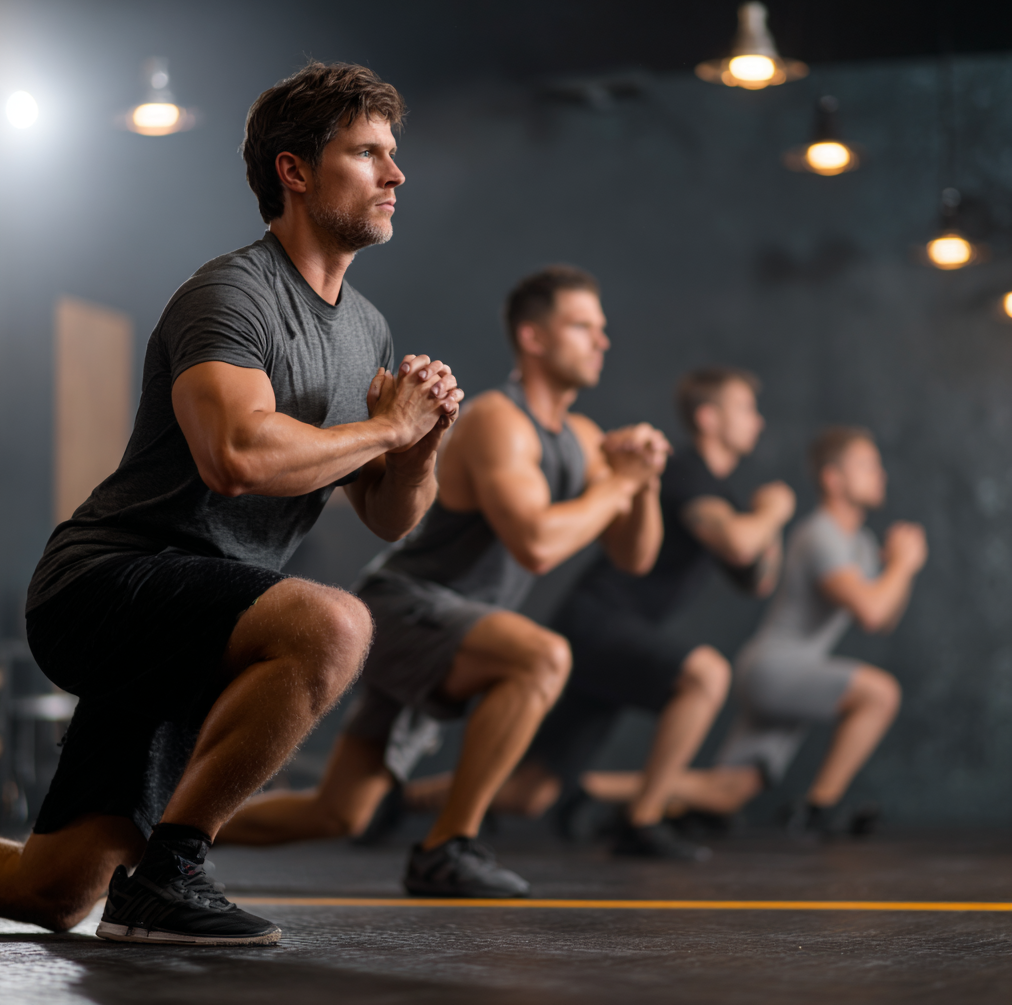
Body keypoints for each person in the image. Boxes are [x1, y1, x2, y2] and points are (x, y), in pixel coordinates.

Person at [0, 62, 464, 944]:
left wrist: (418, 442)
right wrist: (387, 430)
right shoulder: (232, 295)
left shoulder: (365, 327)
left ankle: (136, 882)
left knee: (49, 892)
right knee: (334, 625)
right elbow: (237, 456)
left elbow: (390, 515)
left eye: (392, 155)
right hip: (110, 582)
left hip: (209, 615)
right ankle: (168, 873)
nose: (395, 175)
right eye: (367, 153)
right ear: (294, 171)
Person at [218, 265, 670, 897]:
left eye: (601, 328)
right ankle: (447, 847)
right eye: (582, 326)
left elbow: (633, 557)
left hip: (458, 624)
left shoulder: (585, 440)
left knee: (340, 812)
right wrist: (618, 486)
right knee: (541, 659)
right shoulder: (498, 423)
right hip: (409, 606)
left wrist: (640, 480)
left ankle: (163, 833)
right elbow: (537, 543)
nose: (602, 340)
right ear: (534, 338)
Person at [400, 366, 794, 858]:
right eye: (746, 409)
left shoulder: (721, 492)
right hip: (598, 624)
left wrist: (767, 522)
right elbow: (737, 544)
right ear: (709, 418)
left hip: (617, 638)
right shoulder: (686, 472)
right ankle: (641, 820)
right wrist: (775, 512)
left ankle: (401, 801)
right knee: (705, 676)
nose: (757, 421)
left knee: (532, 793)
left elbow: (757, 580)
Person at [680, 426, 926, 835]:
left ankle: (597, 794)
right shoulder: (819, 535)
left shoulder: (861, 544)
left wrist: (902, 570)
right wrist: (903, 565)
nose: (879, 474)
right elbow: (869, 610)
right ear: (832, 479)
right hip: (774, 670)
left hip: (788, 672)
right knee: (880, 695)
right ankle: (820, 808)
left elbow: (885, 619)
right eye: (866, 466)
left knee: (731, 790)